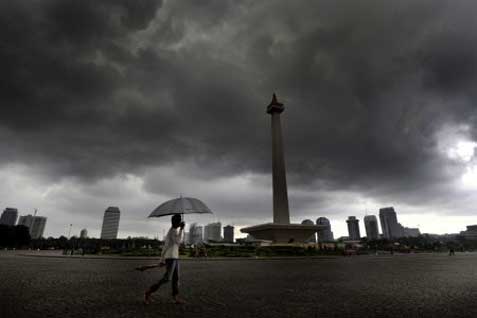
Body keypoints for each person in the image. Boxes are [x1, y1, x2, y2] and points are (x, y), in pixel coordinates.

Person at [143, 214, 185, 305]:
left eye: (180, 221)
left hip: (175, 257)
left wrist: (162, 259)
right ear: (175, 222)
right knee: (167, 278)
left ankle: (175, 297)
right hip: (170, 258)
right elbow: (178, 242)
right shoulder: (172, 231)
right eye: (179, 221)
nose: (180, 222)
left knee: (176, 278)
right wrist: (181, 229)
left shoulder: (174, 230)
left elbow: (169, 245)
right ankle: (148, 292)